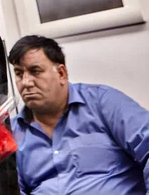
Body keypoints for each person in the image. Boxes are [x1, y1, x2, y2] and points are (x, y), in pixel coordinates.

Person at [9, 35, 149, 194]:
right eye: (19, 74)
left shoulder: (102, 103)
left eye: (35, 71)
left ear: (61, 73)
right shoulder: (12, 133)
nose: (26, 82)